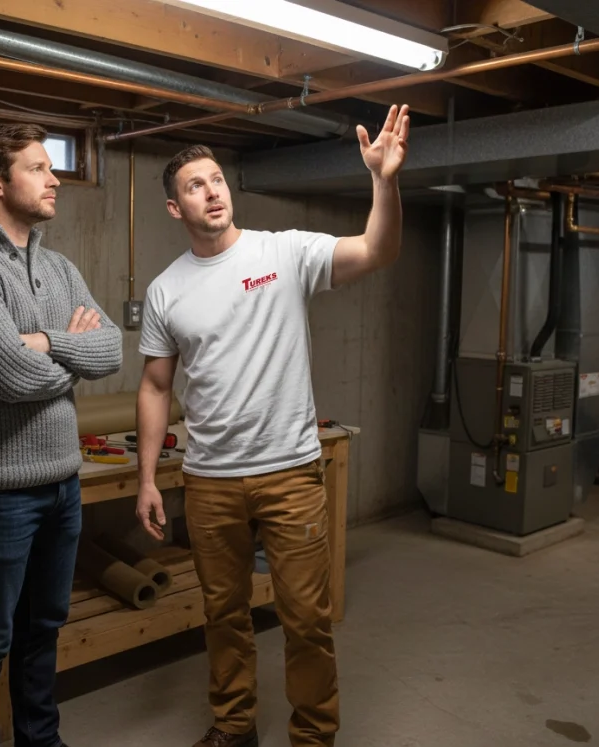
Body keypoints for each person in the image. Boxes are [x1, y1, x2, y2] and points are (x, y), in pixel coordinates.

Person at [134, 104, 411, 747]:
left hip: (289, 473)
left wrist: (385, 181)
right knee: (223, 615)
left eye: (217, 180)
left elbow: (377, 250)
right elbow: (154, 385)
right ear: (175, 208)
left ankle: (313, 737)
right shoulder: (165, 291)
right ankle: (235, 729)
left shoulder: (283, 252)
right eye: (194, 186)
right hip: (208, 481)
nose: (212, 192)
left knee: (307, 619)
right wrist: (148, 478)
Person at [0, 122, 122, 747]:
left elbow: (113, 348)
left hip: (62, 482)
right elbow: (10, 376)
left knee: (44, 631)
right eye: (37, 168)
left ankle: (42, 741)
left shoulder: (58, 266)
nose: (54, 177)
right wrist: (68, 349)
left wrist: (43, 343)